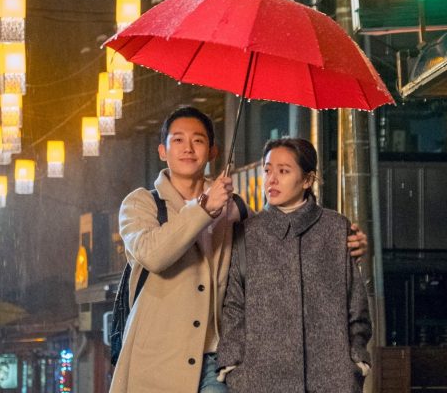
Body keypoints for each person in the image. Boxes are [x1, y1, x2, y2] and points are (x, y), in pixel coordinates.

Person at [111, 108, 368, 393]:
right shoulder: (142, 203)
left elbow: (279, 244)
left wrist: (343, 246)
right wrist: (204, 209)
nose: (188, 148)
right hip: (155, 361)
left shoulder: (235, 207)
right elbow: (153, 256)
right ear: (162, 151)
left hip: (214, 358)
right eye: (178, 140)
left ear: (213, 151)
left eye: (198, 140)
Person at [217, 138, 372, 393]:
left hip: (331, 379)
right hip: (259, 380)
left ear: (307, 180)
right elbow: (234, 306)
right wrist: (232, 366)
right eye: (267, 170)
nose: (272, 179)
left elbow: (356, 302)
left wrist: (357, 361)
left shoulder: (335, 228)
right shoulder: (247, 233)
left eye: (283, 171)